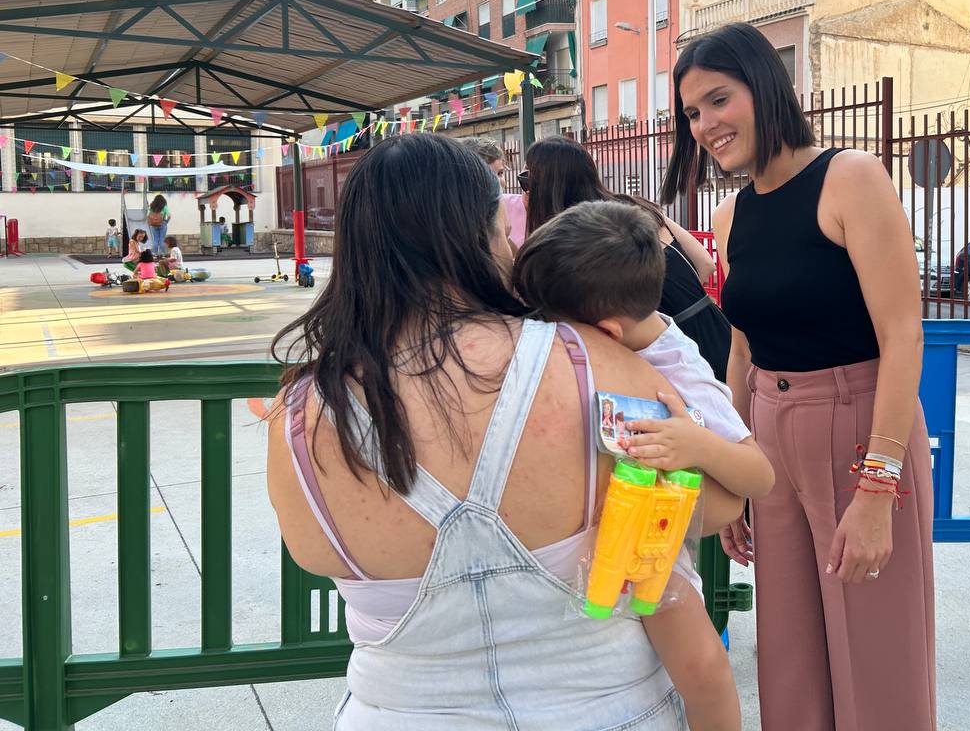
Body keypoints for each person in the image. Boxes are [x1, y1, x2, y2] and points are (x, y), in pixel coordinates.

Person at [265, 133, 744, 729]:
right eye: (503, 227)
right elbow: (719, 504)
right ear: (479, 236)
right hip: (609, 708)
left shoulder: (302, 413)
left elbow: (313, 551)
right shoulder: (589, 358)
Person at [660, 22, 936, 731]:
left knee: (877, 653)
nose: (706, 126)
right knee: (787, 656)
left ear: (765, 86)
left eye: (718, 101)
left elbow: (902, 334)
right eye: (692, 114)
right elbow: (743, 352)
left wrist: (880, 485)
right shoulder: (731, 213)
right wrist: (736, 468)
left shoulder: (850, 178)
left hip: (859, 424)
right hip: (771, 437)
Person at [514, 199, 775, 731]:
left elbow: (758, 475)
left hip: (654, 547)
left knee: (701, 668)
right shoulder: (612, 339)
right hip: (600, 539)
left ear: (606, 333)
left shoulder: (680, 372)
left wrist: (695, 444)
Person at [523, 137, 730, 380]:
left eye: (526, 180)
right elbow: (705, 263)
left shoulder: (575, 243)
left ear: (546, 187)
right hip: (716, 330)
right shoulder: (635, 207)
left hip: (661, 356)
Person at [458, 136, 528, 249]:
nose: (497, 181)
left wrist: (505, 235)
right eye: (488, 175)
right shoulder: (463, 218)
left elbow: (513, 258)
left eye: (500, 173)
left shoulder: (503, 206)